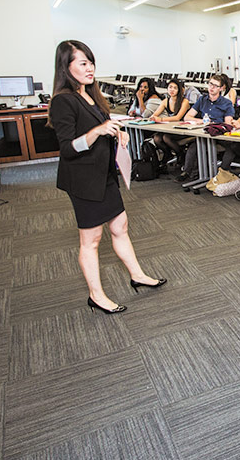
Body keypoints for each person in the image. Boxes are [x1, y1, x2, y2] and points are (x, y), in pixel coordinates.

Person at [46, 40, 165, 315]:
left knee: (120, 226)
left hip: (104, 173)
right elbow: (67, 148)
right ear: (66, 66)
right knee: (92, 239)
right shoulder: (63, 100)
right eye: (83, 63)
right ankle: (96, 295)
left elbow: (102, 126)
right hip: (82, 178)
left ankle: (137, 275)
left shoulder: (91, 93)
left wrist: (117, 133)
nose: (90, 68)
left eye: (91, 62)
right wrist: (99, 131)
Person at [179, 75, 235, 179]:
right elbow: (187, 117)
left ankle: (219, 175)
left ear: (221, 88)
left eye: (215, 85)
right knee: (194, 146)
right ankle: (187, 172)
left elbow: (228, 124)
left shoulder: (227, 103)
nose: (212, 87)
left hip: (219, 135)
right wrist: (203, 122)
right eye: (210, 84)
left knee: (230, 149)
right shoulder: (202, 100)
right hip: (204, 132)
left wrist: (214, 124)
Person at [149, 78, 192, 160]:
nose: (172, 90)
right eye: (170, 87)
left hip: (184, 129)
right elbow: (155, 114)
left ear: (179, 90)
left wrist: (161, 120)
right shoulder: (165, 101)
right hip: (171, 128)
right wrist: (153, 117)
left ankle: (181, 155)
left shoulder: (184, 101)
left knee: (166, 137)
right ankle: (168, 154)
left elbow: (177, 118)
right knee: (157, 138)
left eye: (175, 88)